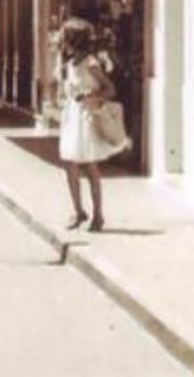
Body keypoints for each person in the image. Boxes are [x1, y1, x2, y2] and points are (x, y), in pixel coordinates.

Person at [57, 19, 128, 232]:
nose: (62, 42)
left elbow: (110, 89)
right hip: (72, 117)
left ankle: (98, 215)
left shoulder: (90, 62)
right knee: (69, 164)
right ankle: (78, 211)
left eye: (65, 37)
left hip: (87, 117)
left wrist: (92, 94)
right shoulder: (69, 64)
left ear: (73, 40)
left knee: (89, 166)